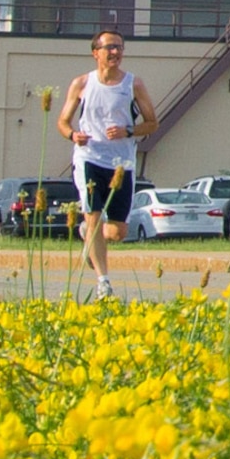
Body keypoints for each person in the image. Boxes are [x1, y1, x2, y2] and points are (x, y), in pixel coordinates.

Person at [57, 28, 158, 299]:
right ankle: (104, 282)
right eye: (110, 48)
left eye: (119, 48)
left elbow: (152, 122)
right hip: (89, 157)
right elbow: (63, 122)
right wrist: (73, 135)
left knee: (117, 231)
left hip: (121, 163)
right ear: (96, 53)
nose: (115, 52)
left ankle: (88, 235)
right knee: (93, 215)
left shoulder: (133, 85)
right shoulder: (81, 84)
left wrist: (128, 131)